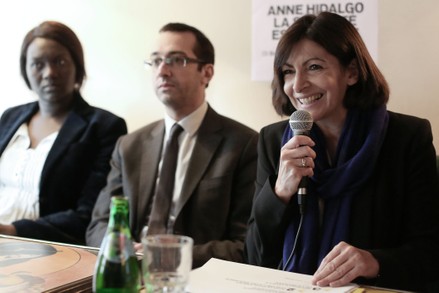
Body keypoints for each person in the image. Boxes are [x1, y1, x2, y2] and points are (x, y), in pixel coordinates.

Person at [244, 12, 439, 292]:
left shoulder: (406, 138)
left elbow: (430, 253)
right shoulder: (273, 140)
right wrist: (280, 192)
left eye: (314, 67)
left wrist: (373, 262)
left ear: (352, 72)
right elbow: (254, 257)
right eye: (288, 71)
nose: (298, 85)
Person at [86, 22, 258, 268]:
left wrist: (166, 255)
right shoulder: (129, 145)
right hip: (128, 271)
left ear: (206, 73)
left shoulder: (244, 144)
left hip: (193, 277)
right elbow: (99, 224)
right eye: (156, 61)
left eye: (177, 60)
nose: (163, 71)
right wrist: (122, 247)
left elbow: (245, 244)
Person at [0, 21, 127, 245]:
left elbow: (88, 214)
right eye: (38, 64)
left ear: (77, 66)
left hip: (47, 249)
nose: (49, 73)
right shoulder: (10, 117)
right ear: (25, 69)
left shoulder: (104, 127)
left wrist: (12, 230)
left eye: (59, 61)